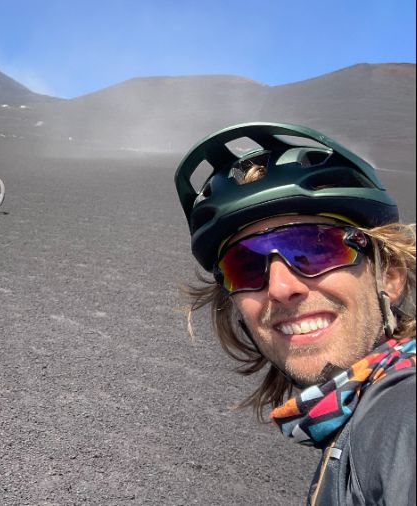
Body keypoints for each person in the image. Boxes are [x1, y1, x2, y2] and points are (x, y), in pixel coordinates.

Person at [174, 122, 415, 505]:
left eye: (316, 247)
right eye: (245, 265)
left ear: (390, 275)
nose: (281, 287)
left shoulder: (401, 414)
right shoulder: (351, 416)